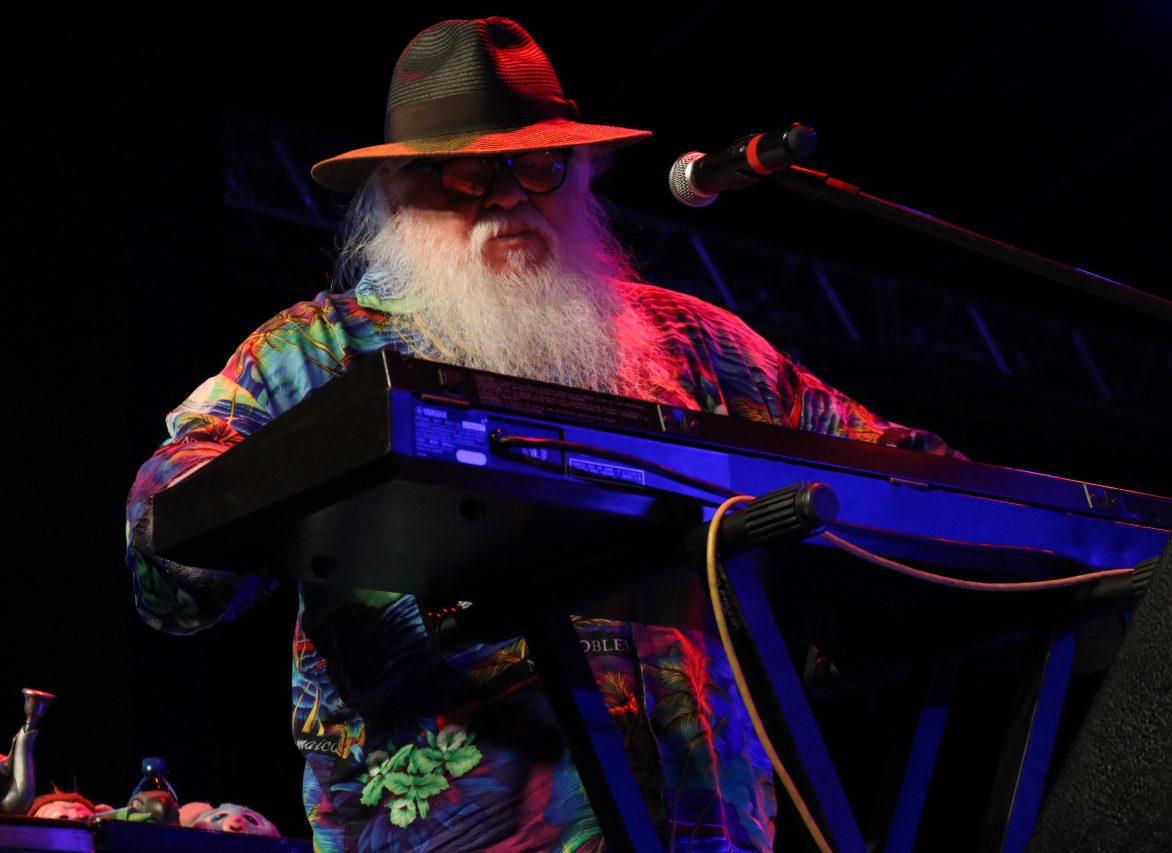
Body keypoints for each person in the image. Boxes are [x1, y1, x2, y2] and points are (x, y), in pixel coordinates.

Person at [126, 17, 956, 852]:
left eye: (539, 163)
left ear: (583, 172)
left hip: (706, 829)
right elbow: (168, 537)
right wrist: (267, 506)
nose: (508, 195)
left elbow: (895, 467)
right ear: (396, 194)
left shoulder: (693, 344)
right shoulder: (320, 349)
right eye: (467, 173)